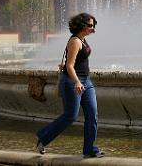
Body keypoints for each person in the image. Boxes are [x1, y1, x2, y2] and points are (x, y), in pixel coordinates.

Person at [36, 13, 104, 158]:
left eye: (94, 25)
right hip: (73, 82)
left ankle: (90, 149)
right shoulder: (75, 41)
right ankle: (43, 137)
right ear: (82, 25)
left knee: (92, 114)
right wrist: (77, 82)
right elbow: (70, 65)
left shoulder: (82, 40)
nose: (93, 29)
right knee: (70, 116)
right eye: (91, 26)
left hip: (87, 81)